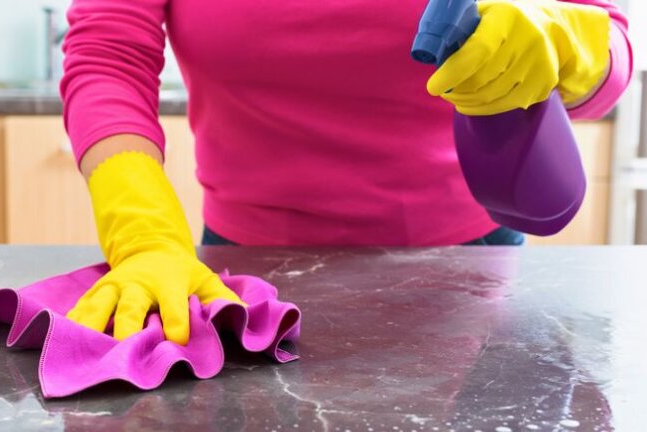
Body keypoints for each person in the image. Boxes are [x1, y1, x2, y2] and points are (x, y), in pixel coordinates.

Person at [59, 0, 632, 344]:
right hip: (243, 276)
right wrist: (142, 236)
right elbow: (108, 57)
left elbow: (606, 38)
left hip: (470, 268)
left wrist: (567, 41)